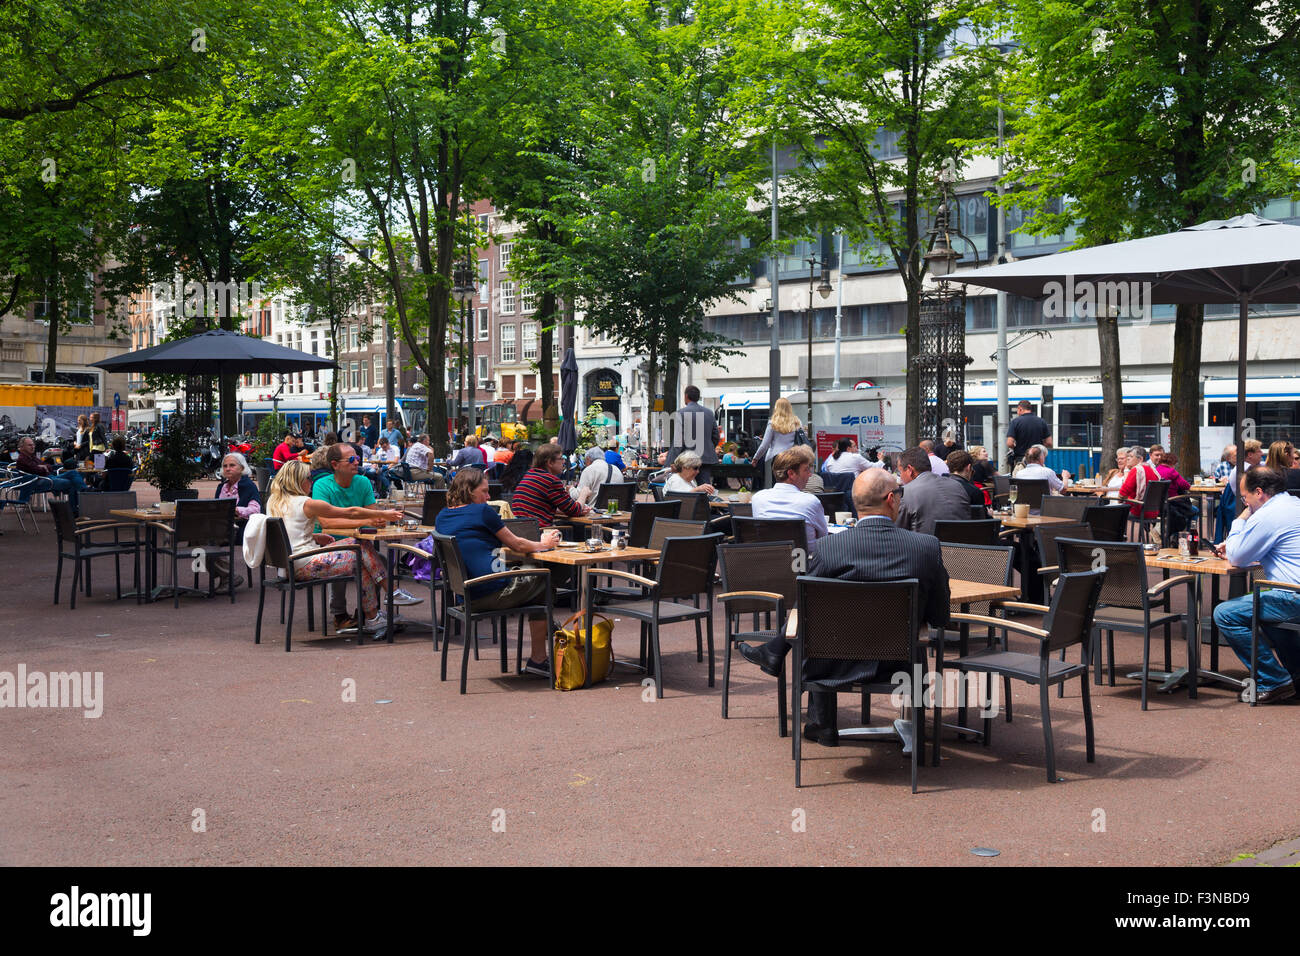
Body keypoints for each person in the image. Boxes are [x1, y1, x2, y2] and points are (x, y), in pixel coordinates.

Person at [737, 468, 949, 744]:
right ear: (891, 499)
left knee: (812, 622)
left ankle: (822, 722)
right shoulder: (925, 547)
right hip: (901, 664)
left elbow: (807, 608)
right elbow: (940, 615)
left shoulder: (828, 549)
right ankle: (917, 738)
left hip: (832, 663)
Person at [435, 468, 563, 676]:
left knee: (537, 582)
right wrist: (544, 543)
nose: (488, 497)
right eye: (484, 492)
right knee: (544, 577)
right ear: (469, 491)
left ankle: (545, 634)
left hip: (464, 595)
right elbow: (517, 544)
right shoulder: (483, 511)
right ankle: (541, 653)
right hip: (491, 591)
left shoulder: (442, 516)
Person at [265, 460, 403, 634]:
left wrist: (313, 536)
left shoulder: (274, 501)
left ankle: (373, 616)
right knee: (361, 555)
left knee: (359, 545)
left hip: (289, 563)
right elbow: (350, 512)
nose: (312, 482)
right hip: (304, 564)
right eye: (309, 477)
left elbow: (287, 531)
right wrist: (382, 513)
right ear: (299, 481)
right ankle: (387, 599)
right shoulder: (306, 502)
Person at [1211, 467, 1300, 703]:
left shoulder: (1267, 515)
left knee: (1225, 613)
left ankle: (1274, 680)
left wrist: (1241, 517)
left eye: (1245, 498)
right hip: (1292, 592)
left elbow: (1239, 557)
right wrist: (1236, 547)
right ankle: (1295, 675)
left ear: (1259, 492)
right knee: (1264, 610)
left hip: (1294, 596)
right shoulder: (1293, 505)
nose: (1245, 502)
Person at [750, 445, 827, 550]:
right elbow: (823, 538)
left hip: (767, 563)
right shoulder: (810, 501)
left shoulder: (758, 498)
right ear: (791, 473)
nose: (810, 475)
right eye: (806, 470)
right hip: (805, 563)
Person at [211, 453, 262, 588]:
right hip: (221, 527)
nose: (228, 469)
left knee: (208, 540)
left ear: (242, 468)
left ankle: (225, 575)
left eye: (232, 465)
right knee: (196, 539)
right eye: (225, 466)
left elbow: (256, 509)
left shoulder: (248, 485)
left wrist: (236, 510)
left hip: (240, 528)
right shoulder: (221, 487)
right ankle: (227, 575)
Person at [894, 446, 970, 536]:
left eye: (900, 472)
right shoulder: (957, 486)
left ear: (910, 470)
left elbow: (897, 531)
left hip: (924, 548)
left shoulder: (906, 492)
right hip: (963, 547)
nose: (900, 477)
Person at [510, 443, 593, 525]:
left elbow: (540, 507)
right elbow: (575, 510)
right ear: (550, 462)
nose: (564, 461)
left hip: (522, 531)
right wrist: (583, 494)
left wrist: (572, 509)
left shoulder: (530, 475)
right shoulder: (550, 481)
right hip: (540, 533)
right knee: (581, 528)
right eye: (561, 458)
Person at [15, 436, 86, 516]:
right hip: (38, 482)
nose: (33, 447)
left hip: (47, 477)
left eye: (33, 445)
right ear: (22, 447)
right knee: (72, 483)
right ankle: (77, 508)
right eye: (29, 445)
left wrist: (43, 467)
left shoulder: (32, 457)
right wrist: (42, 468)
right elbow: (37, 470)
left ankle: (83, 492)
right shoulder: (22, 459)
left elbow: (49, 466)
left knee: (73, 473)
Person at [665, 385, 720, 486]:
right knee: (705, 486)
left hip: (686, 460)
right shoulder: (709, 413)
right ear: (698, 397)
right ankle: (705, 501)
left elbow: (678, 441)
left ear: (686, 396)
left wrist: (670, 462)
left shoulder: (681, 413)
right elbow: (715, 436)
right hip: (705, 458)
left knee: (683, 485)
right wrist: (708, 447)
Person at [753, 397, 806, 488]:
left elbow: (764, 445)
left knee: (777, 483)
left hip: (778, 458)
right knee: (791, 482)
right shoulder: (797, 422)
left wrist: (756, 458)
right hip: (792, 457)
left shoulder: (773, 423)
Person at [1118, 446, 1162, 520]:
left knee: (1109, 512)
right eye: (1128, 456)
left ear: (1140, 459)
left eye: (1131, 456)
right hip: (1154, 511)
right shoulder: (1153, 470)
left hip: (1138, 510)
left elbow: (1122, 494)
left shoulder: (1136, 470)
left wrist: (1119, 500)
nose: (1128, 459)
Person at [1005, 399, 1052, 469]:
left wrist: (1018, 447)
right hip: (1037, 460)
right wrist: (1038, 447)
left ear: (1020, 409)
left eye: (1017, 410)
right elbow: (1049, 443)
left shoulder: (1015, 422)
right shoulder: (1041, 421)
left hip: (1021, 460)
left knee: (1019, 479)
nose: (1017, 413)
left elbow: (1009, 443)